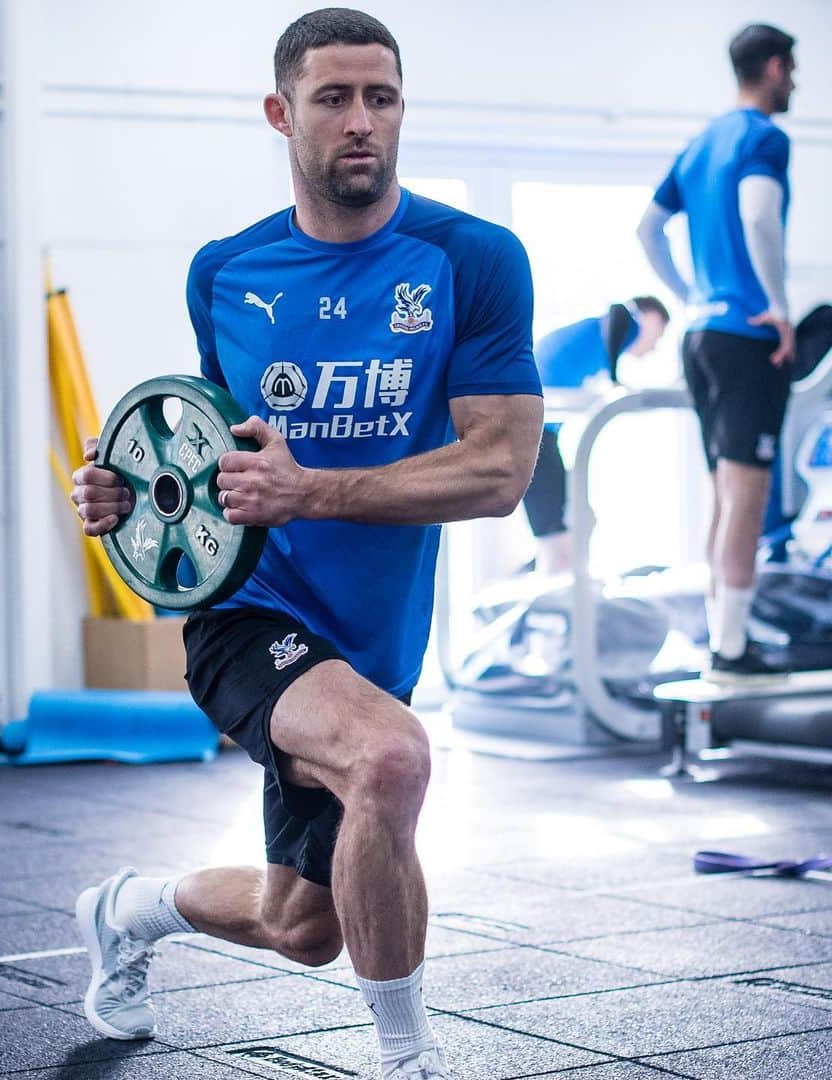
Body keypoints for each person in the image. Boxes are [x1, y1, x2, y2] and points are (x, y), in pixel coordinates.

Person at [69, 8, 543, 1079]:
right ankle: (406, 1058)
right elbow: (203, 445)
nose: (361, 121)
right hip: (248, 613)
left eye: (380, 97)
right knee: (392, 757)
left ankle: (129, 910)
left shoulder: (472, 261)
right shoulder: (226, 272)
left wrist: (313, 488)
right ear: (282, 114)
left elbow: (500, 473)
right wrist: (124, 492)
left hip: (370, 643)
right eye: (334, 98)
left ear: (403, 109)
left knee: (304, 924)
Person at [636, 23, 797, 679]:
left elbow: (647, 229)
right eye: (792, 70)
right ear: (776, 67)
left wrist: (689, 295)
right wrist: (780, 307)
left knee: (724, 495)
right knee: (748, 498)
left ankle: (719, 637)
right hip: (745, 333)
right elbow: (758, 214)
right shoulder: (765, 136)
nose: (794, 83)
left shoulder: (702, 141)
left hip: (702, 333)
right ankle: (731, 649)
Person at [523, 297, 670, 574]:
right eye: (659, 333)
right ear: (649, 317)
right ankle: (549, 586)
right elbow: (618, 312)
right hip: (531, 430)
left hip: (541, 430)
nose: (654, 346)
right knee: (557, 536)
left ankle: (551, 578)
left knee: (581, 519)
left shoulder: (603, 341)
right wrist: (615, 378)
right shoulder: (626, 321)